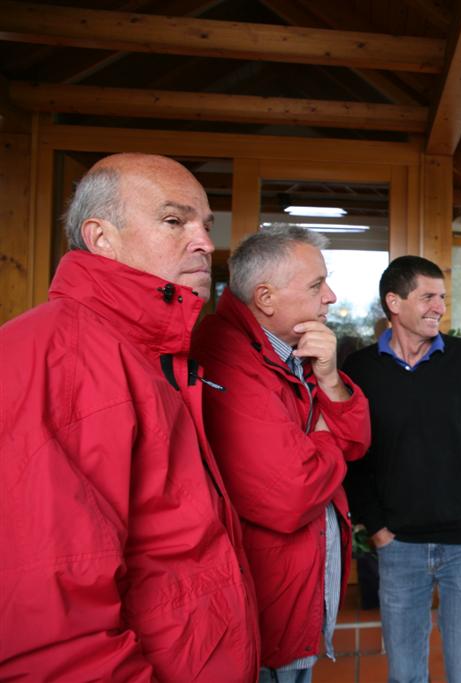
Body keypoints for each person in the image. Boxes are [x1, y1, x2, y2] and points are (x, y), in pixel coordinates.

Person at [0, 153, 259, 681]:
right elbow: (50, 632)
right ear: (100, 238)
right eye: (174, 220)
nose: (206, 243)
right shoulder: (59, 355)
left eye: (205, 225)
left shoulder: (152, 351)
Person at [192, 226, 371, 682]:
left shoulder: (291, 350)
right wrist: (327, 440)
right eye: (316, 285)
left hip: (294, 593)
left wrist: (330, 381)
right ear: (266, 298)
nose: (330, 296)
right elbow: (291, 492)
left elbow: (357, 442)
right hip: (268, 605)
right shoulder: (228, 355)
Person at [342, 255, 461, 683]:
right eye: (427, 297)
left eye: (441, 297)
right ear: (394, 302)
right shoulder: (361, 370)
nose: (438, 307)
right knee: (404, 673)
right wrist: (377, 526)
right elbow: (353, 455)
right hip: (399, 545)